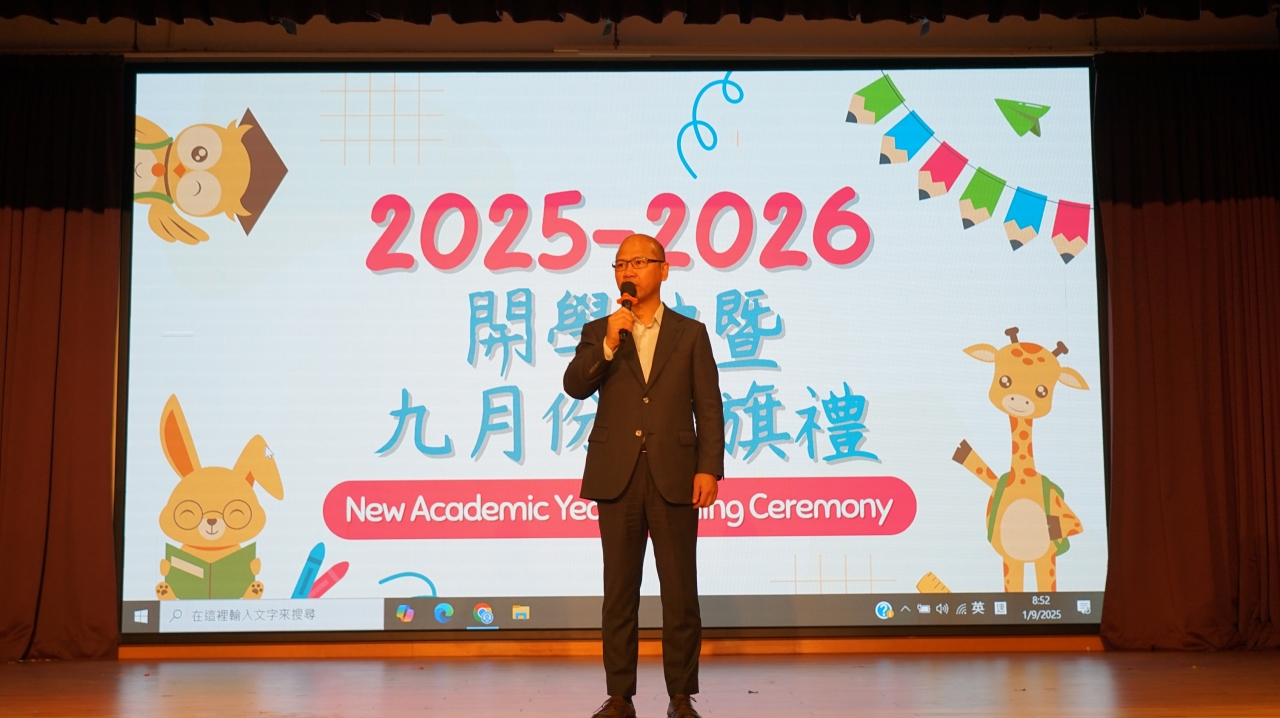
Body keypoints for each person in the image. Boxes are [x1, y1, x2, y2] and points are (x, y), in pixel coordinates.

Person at [563, 234, 725, 718]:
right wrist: (607, 345)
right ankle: (620, 696)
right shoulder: (601, 330)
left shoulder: (690, 333)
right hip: (618, 475)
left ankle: (681, 695)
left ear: (663, 270)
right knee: (619, 592)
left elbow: (709, 408)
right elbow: (574, 385)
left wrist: (708, 468)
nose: (627, 271)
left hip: (676, 473)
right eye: (620, 264)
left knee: (680, 591)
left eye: (638, 261)